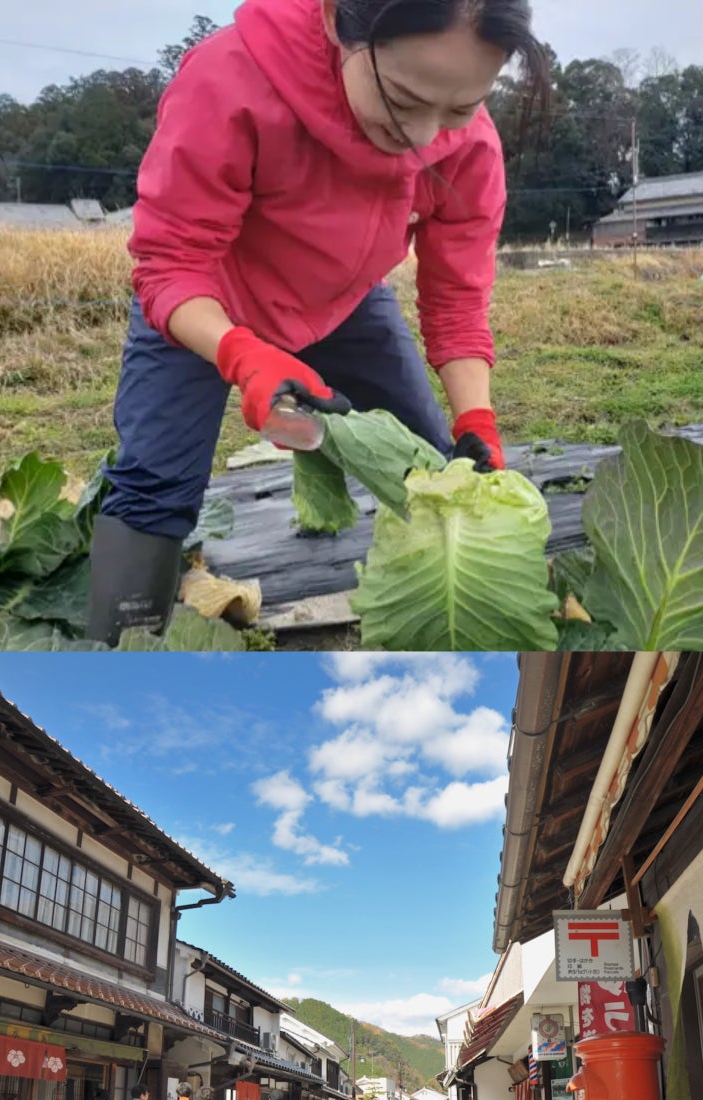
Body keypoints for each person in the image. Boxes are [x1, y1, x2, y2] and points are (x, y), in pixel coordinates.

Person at [85, 0, 553, 641]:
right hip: (204, 298)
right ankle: (120, 650)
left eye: (461, 108)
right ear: (339, 24)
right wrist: (241, 355)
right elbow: (171, 265)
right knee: (153, 485)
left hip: (344, 299)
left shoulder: (467, 148)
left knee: (437, 468)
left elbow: (457, 301)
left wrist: (477, 419)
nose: (424, 136)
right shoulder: (229, 79)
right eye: (404, 100)